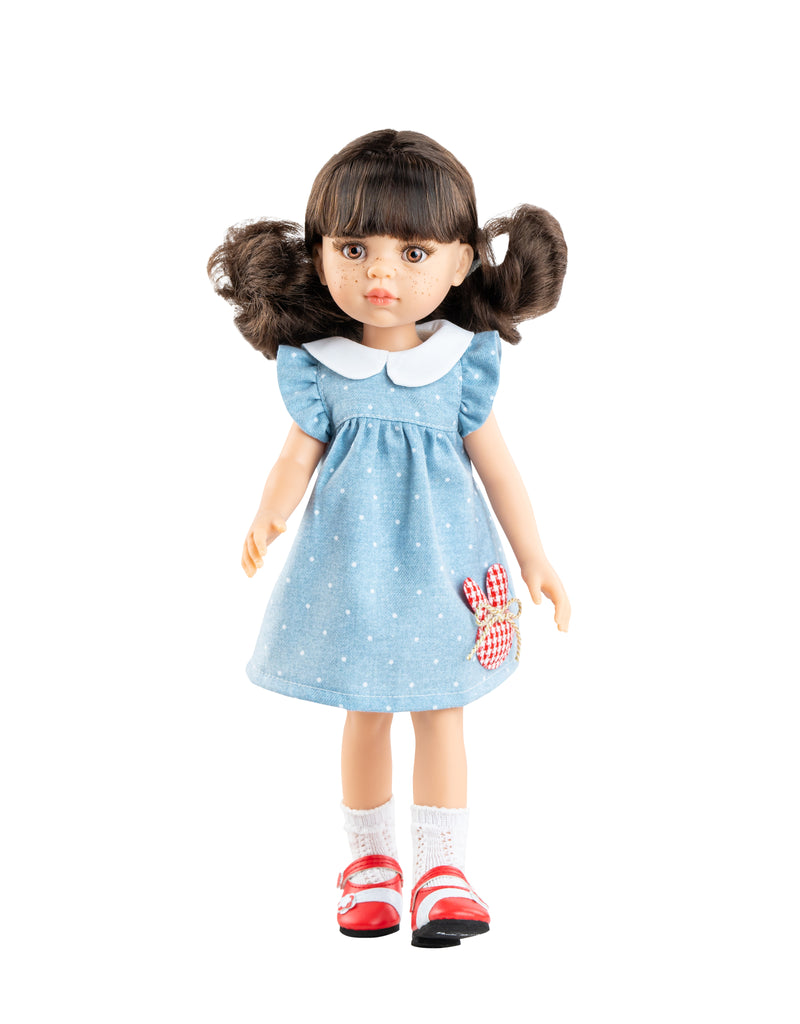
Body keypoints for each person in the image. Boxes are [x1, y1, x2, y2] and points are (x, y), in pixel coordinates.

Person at [208, 129, 571, 947]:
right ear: (319, 256)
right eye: (354, 249)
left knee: (442, 713)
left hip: (448, 573)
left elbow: (500, 469)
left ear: (462, 261)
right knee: (365, 714)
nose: (381, 273)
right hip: (353, 579)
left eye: (413, 252)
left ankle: (443, 871)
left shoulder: (461, 367)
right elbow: (295, 456)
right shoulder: (320, 368)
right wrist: (269, 513)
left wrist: (535, 556)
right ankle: (370, 866)